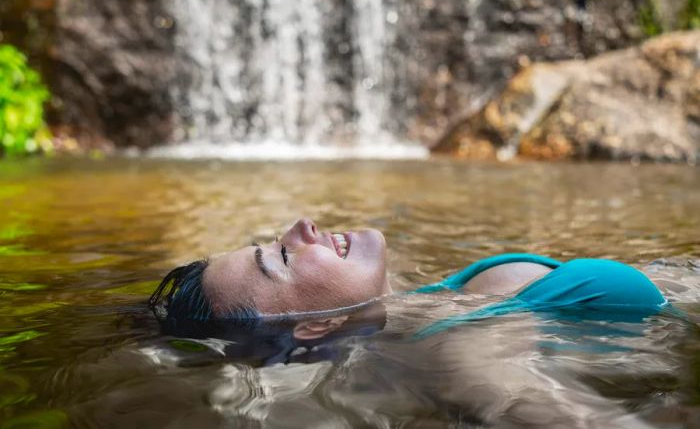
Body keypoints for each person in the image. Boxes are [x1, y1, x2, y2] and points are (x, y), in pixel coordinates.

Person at [149, 217, 668, 340]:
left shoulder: (426, 300)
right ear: (314, 326)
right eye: (282, 258)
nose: (302, 225)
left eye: (275, 236)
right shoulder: (460, 353)